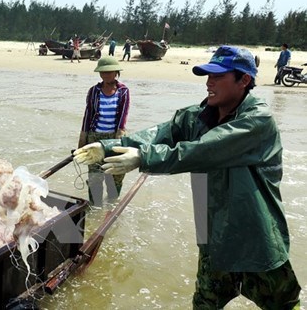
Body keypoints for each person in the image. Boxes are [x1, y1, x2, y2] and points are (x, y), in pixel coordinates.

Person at [73, 45, 301, 309]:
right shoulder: (199, 116)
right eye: (207, 75)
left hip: (257, 243)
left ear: (244, 80)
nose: (208, 83)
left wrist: (143, 157)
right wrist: (108, 146)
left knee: (285, 306)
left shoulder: (257, 121)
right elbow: (162, 132)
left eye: (217, 76)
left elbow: (203, 150)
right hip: (213, 243)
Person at [77, 56, 130, 206]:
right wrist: (83, 139)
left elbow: (123, 117)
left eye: (109, 72)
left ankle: (112, 205)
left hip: (114, 138)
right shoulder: (94, 91)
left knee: (115, 174)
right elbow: (88, 115)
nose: (106, 75)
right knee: (95, 176)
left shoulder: (123, 92)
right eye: (102, 73)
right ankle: (95, 208)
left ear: (116, 72)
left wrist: (119, 137)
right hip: (95, 138)